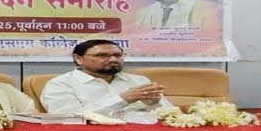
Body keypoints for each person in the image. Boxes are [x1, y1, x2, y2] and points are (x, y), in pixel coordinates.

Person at [40, 39, 173, 116]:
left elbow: (169, 115)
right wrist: (122, 99)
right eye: (102, 56)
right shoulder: (60, 84)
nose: (113, 59)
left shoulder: (139, 81)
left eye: (118, 55)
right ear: (78, 59)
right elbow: (67, 118)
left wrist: (154, 103)